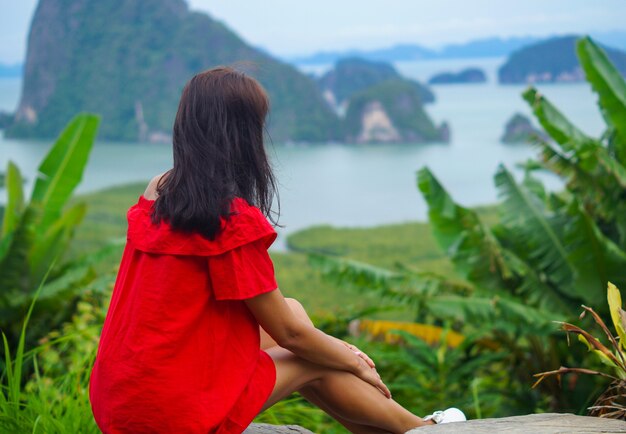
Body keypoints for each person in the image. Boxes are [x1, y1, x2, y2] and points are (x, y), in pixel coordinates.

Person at [88, 67, 466, 434]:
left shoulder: (159, 190)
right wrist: (355, 361)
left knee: (297, 312)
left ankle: (396, 430)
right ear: (242, 134)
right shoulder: (229, 219)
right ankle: (422, 429)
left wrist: (337, 349)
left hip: (120, 401)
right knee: (310, 356)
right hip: (173, 417)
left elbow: (288, 322)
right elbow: (293, 337)